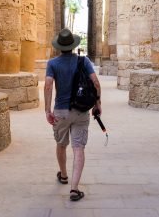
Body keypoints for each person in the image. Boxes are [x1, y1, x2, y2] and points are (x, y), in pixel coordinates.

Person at [44, 28, 102, 201]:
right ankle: (74, 189)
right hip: (81, 110)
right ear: (73, 45)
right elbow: (96, 83)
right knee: (78, 148)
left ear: (59, 47)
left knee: (61, 144)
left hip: (61, 111)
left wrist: (47, 110)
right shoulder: (83, 61)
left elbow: (47, 86)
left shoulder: (52, 63)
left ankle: (63, 175)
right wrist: (97, 105)